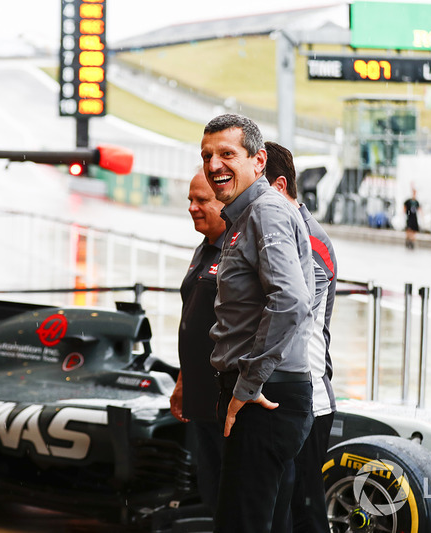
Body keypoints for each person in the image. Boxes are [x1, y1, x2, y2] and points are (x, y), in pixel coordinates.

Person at [202, 114, 315, 533]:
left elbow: (291, 300)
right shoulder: (245, 216)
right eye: (207, 156)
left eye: (227, 154)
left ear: (259, 160)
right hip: (265, 392)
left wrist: (247, 386)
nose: (214, 165)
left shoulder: (265, 212)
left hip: (264, 397)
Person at [265, 141, 336, 533]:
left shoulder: (308, 238)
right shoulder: (282, 229)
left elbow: (291, 309)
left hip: (308, 397)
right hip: (285, 392)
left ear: (277, 187)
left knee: (304, 511)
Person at [169, 167, 225, 514]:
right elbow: (193, 320)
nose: (192, 206)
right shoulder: (203, 248)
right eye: (190, 199)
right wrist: (182, 379)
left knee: (230, 494)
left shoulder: (238, 252)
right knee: (212, 488)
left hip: (226, 400)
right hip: (201, 398)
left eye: (201, 200)